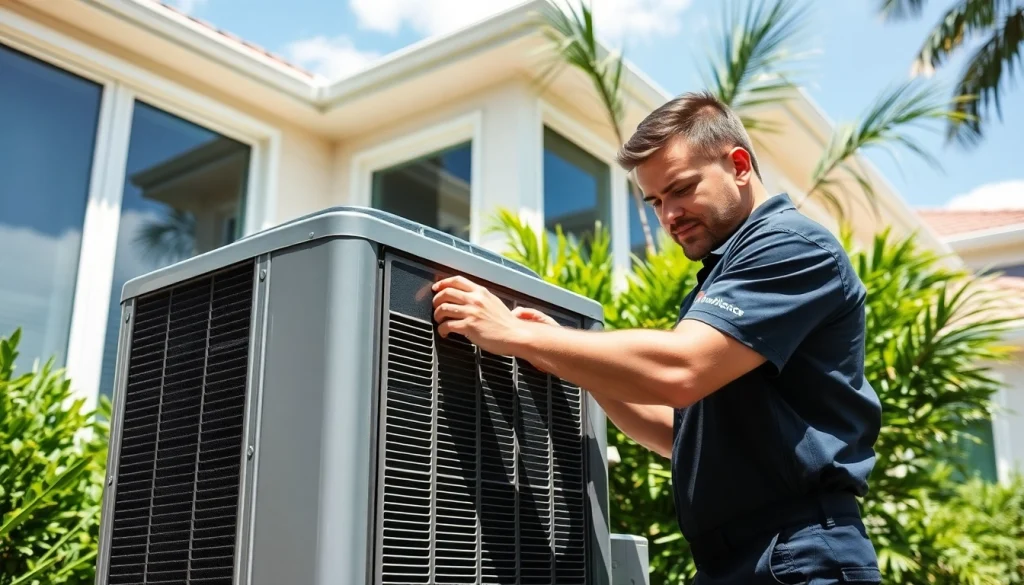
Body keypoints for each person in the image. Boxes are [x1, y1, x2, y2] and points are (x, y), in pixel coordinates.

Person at [431, 90, 883, 585]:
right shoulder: (721, 276)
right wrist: (562, 357)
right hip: (737, 559)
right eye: (656, 201)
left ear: (738, 165)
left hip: (798, 552)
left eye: (682, 189)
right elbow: (677, 433)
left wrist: (514, 334)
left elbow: (680, 369)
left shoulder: (790, 246)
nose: (668, 216)